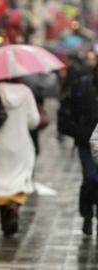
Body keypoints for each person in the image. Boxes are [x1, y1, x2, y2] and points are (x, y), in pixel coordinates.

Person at [0, 79, 40, 237]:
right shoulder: (26, 91)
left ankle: (5, 211)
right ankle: (14, 206)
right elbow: (34, 121)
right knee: (18, 179)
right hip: (20, 144)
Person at [61, 63, 98, 235]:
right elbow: (65, 111)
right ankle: (87, 214)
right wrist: (78, 132)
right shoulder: (82, 85)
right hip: (86, 143)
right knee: (91, 178)